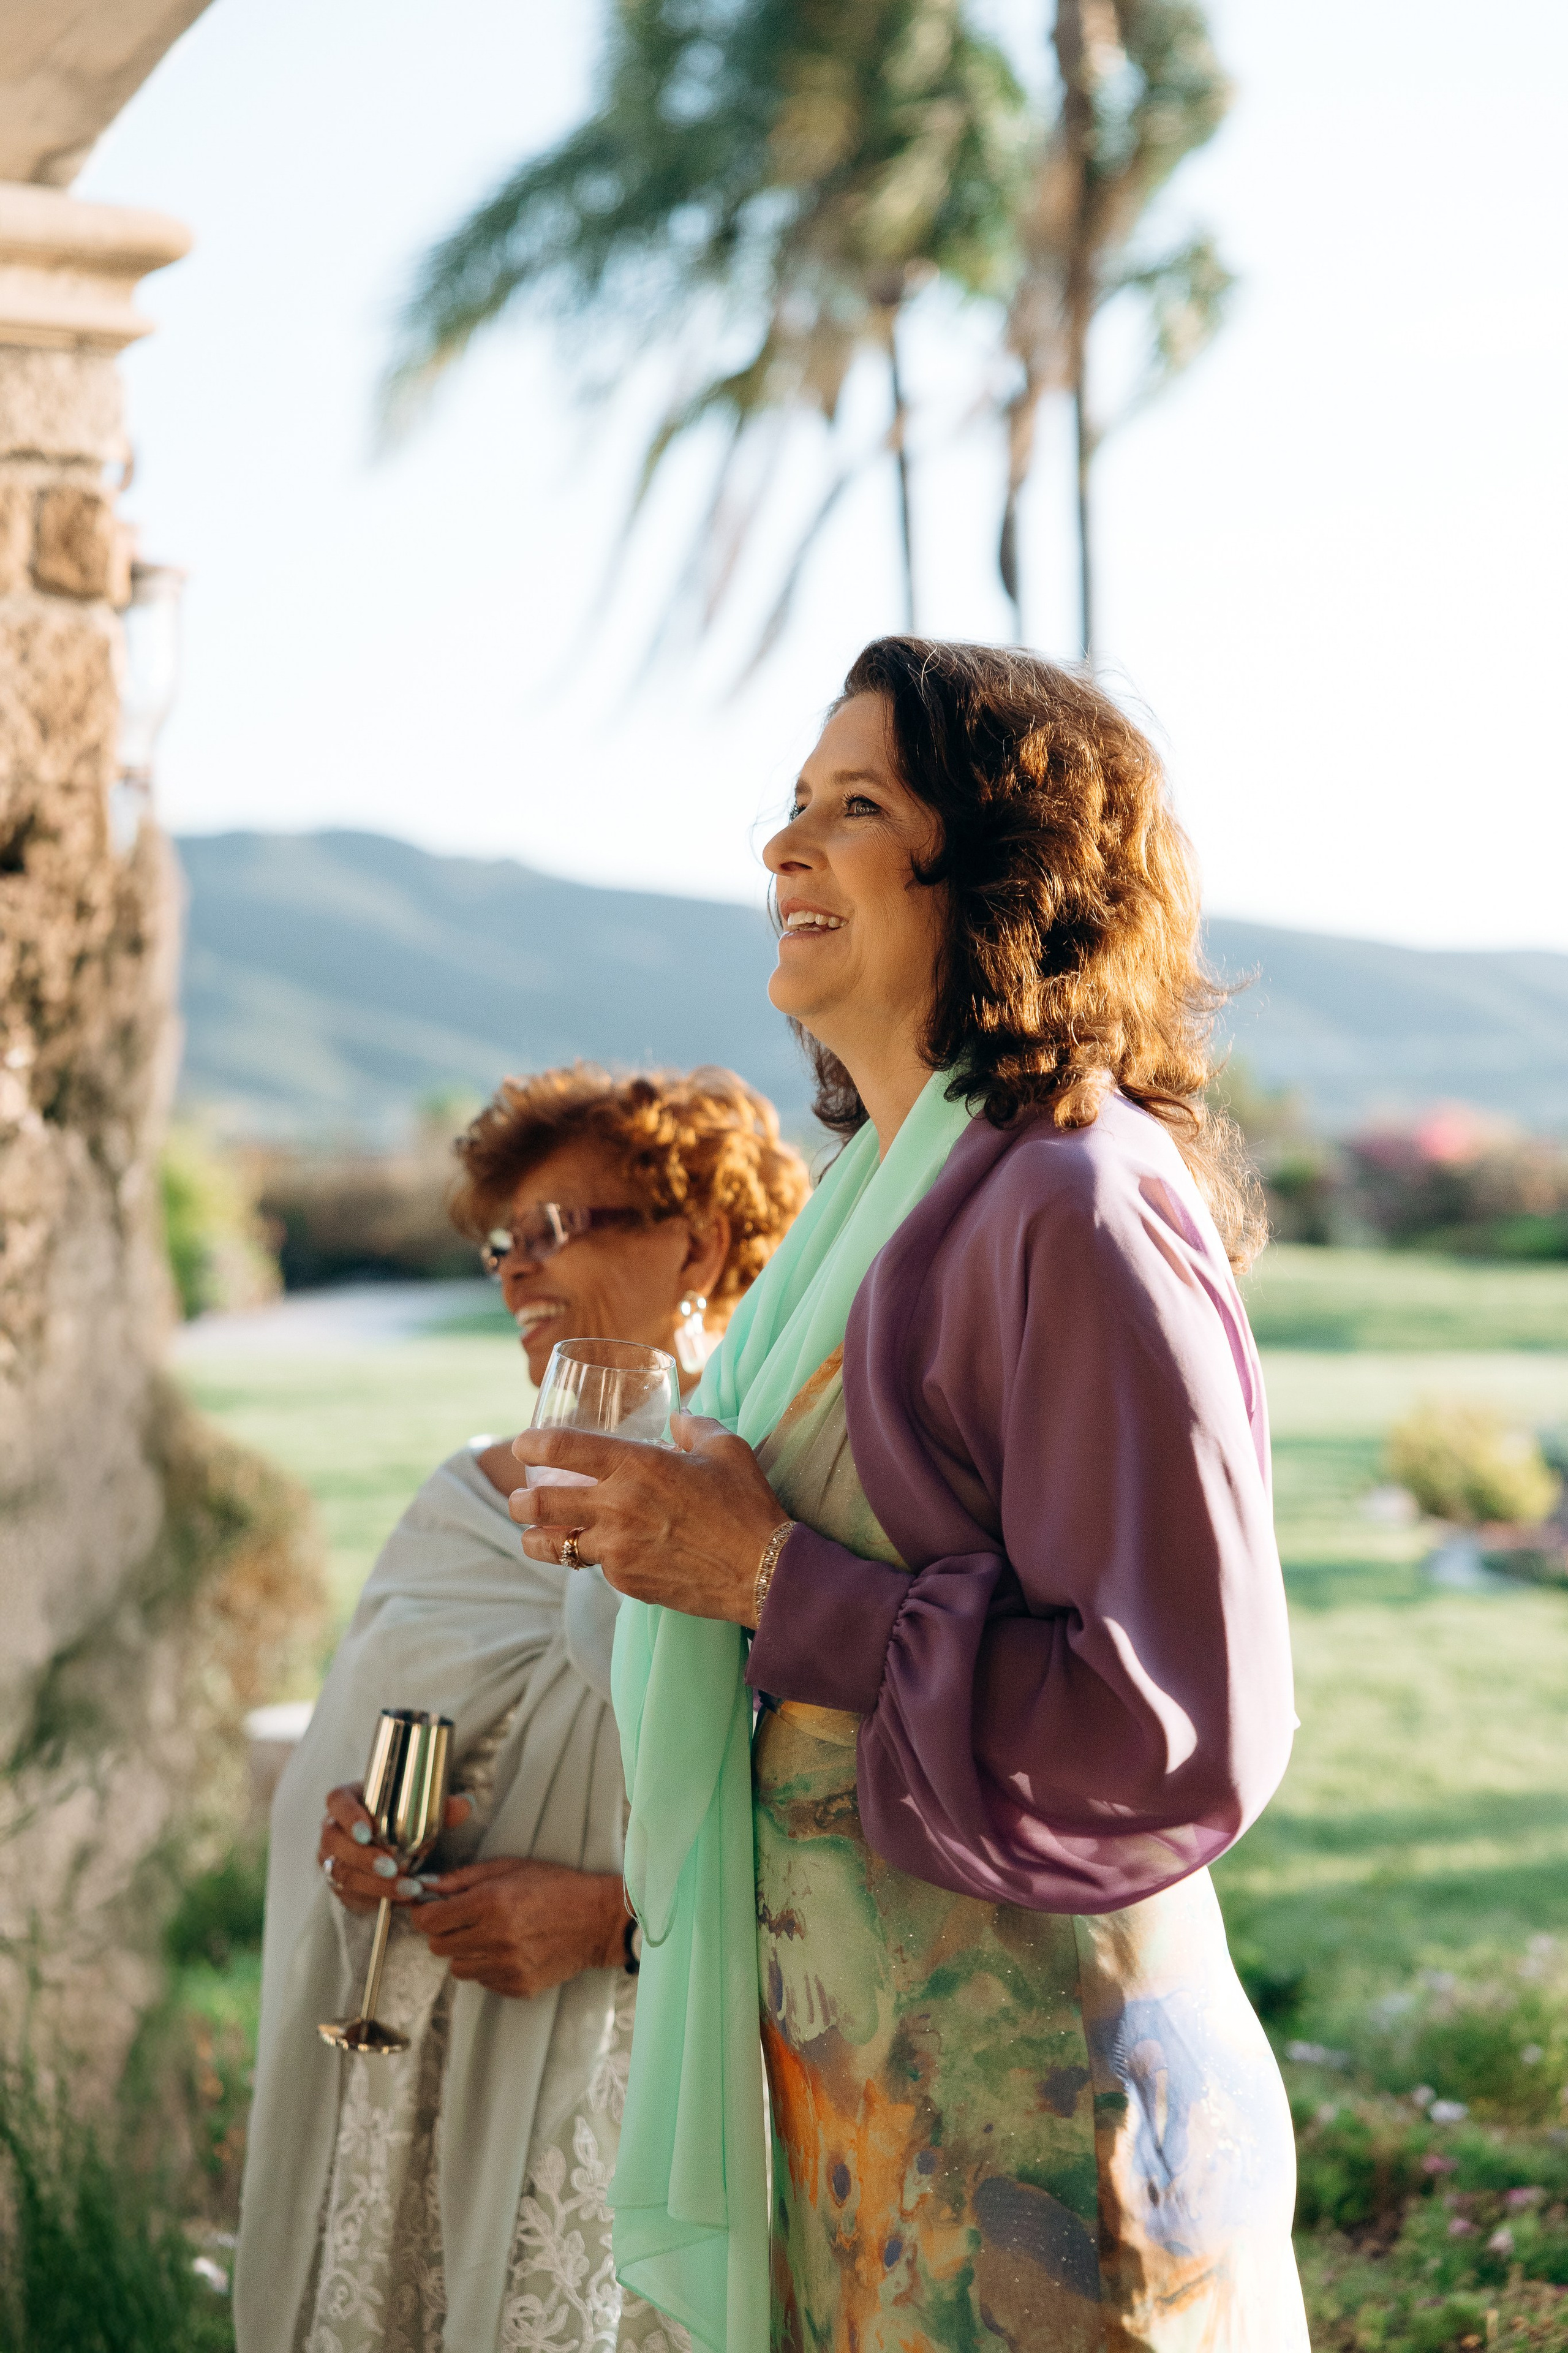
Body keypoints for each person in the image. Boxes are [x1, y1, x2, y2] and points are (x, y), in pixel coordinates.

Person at [511, 643, 1309, 2352]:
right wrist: (664, 1535)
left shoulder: (1073, 1203)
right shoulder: (879, 1197)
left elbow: (1178, 1727)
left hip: (1028, 2134)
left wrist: (763, 1579)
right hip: (863, 2104)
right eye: (791, 807)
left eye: (855, 807)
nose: (784, 851)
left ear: (1015, 875)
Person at [235, 1065, 808, 2353]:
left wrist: (613, 1925)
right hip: (407, 2093)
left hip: (637, 2113)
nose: (514, 1270)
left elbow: (844, 1829)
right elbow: (338, 1773)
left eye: (559, 1227)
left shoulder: (775, 1518)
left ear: (699, 1241)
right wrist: (348, 1843)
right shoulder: (456, 1506)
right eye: (504, 1243)